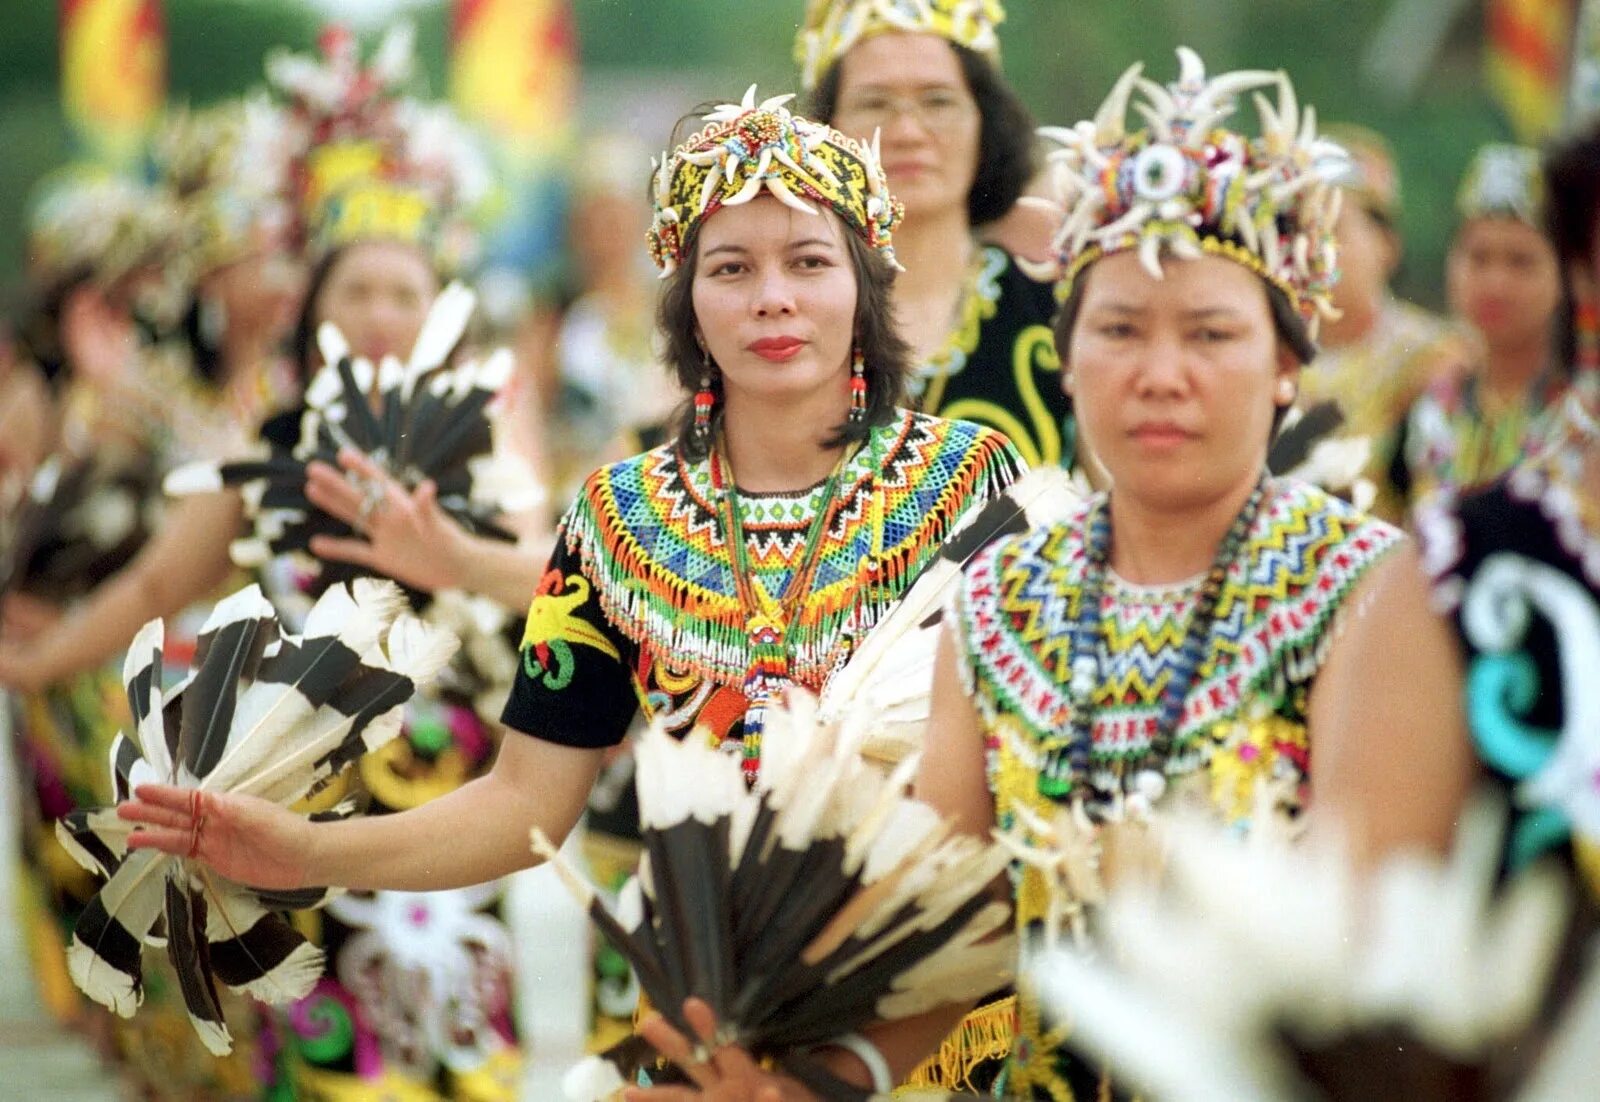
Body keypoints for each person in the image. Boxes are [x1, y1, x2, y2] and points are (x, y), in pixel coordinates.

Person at [113, 91, 1025, 1092]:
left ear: (863, 284)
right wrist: (307, 851)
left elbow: (1008, 791)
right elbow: (523, 802)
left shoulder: (968, 484)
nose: (773, 296)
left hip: (927, 1023)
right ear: (684, 303)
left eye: (808, 261)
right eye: (731, 267)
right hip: (711, 1021)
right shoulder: (622, 518)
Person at [609, 51, 1477, 1102]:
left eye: (1210, 333)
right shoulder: (997, 598)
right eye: (1117, 329)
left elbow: (1388, 956)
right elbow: (952, 922)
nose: (1160, 373)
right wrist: (822, 1077)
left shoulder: (1369, 594)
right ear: (1065, 361)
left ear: (1288, 366)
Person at [799, 0, 1075, 470]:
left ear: (985, 124)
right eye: (875, 103)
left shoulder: (1062, 312)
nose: (908, 131)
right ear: (826, 128)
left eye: (938, 101)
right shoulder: (785, 314)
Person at [1294, 124, 1467, 514]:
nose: (1313, 253)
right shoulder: (1263, 355)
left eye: (1332, 232)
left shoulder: (1438, 356)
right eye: (1297, 232)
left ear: (1387, 245)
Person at [1387, 144, 1568, 514]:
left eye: (1521, 262)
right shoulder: (1425, 406)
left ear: (1567, 273)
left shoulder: (1580, 415)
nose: (1494, 283)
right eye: (1478, 257)